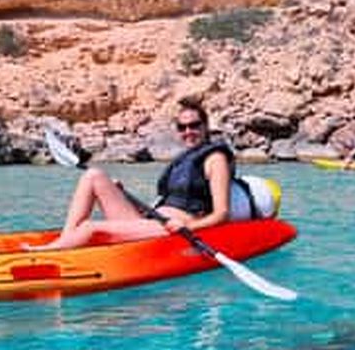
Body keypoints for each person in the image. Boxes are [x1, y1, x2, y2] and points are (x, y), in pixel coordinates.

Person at [32, 97, 248, 251]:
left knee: (91, 228)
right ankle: (65, 241)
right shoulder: (183, 160)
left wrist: (187, 226)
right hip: (152, 221)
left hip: (173, 228)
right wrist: (124, 195)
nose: (188, 132)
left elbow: (222, 214)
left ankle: (51, 253)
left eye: (194, 125)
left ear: (206, 126)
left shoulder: (215, 159)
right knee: (94, 176)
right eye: (182, 127)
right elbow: (159, 206)